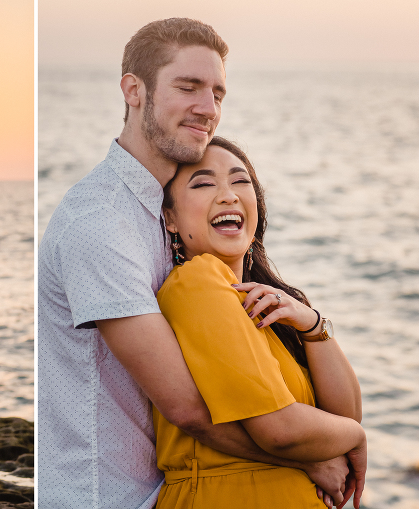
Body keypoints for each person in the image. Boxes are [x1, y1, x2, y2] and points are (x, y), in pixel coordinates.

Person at [38, 18, 354, 509]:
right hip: (103, 495)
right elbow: (190, 410)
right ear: (133, 90)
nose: (208, 109)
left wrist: (313, 326)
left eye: (218, 93)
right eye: (188, 87)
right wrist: (311, 455)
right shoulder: (99, 221)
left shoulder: (170, 226)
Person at [154, 136, 365, 508]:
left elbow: (343, 415)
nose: (228, 196)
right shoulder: (198, 280)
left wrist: (313, 325)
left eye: (241, 181)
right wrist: (357, 437)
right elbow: (281, 431)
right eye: (204, 184)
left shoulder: (261, 304)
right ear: (170, 218)